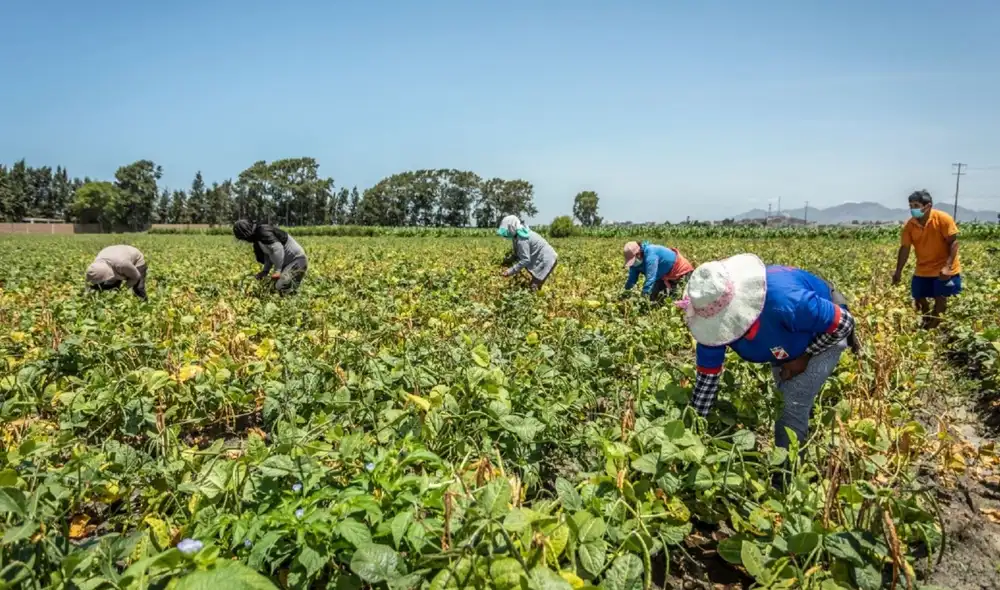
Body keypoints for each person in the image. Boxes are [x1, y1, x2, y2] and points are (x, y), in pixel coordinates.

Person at [679, 254, 856, 452]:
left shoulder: (788, 302)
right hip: (782, 340)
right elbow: (706, 383)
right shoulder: (710, 323)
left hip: (824, 334)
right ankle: (798, 436)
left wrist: (804, 356)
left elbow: (845, 324)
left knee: (791, 402)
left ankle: (788, 474)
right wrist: (691, 435)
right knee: (785, 390)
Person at [891, 190, 961, 329]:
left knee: (941, 298)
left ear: (927, 206)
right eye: (910, 205)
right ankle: (927, 319)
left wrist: (947, 267)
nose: (913, 209)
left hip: (944, 266)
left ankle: (932, 327)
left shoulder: (942, 219)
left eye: (916, 205)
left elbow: (953, 243)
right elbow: (905, 248)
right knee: (918, 296)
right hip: (923, 267)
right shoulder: (910, 225)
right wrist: (898, 271)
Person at [232, 220, 307, 293]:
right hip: (286, 265)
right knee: (270, 288)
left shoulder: (263, 231)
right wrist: (265, 271)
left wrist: (277, 271)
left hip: (297, 261)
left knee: (280, 288)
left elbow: (278, 249)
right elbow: (268, 255)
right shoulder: (258, 238)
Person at [498, 215, 558, 291]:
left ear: (512, 227)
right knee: (535, 284)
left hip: (547, 260)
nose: (506, 234)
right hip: (541, 259)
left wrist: (510, 271)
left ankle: (537, 301)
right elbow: (517, 254)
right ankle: (538, 297)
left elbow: (525, 260)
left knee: (534, 286)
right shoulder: (517, 236)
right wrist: (506, 261)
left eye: (508, 230)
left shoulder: (522, 239)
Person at [622, 241, 694, 302]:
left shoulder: (650, 254)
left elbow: (650, 278)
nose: (633, 263)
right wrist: (625, 293)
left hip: (681, 271)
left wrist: (643, 296)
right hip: (663, 276)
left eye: (633, 259)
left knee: (683, 298)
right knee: (654, 298)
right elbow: (631, 280)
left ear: (638, 253)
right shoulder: (634, 263)